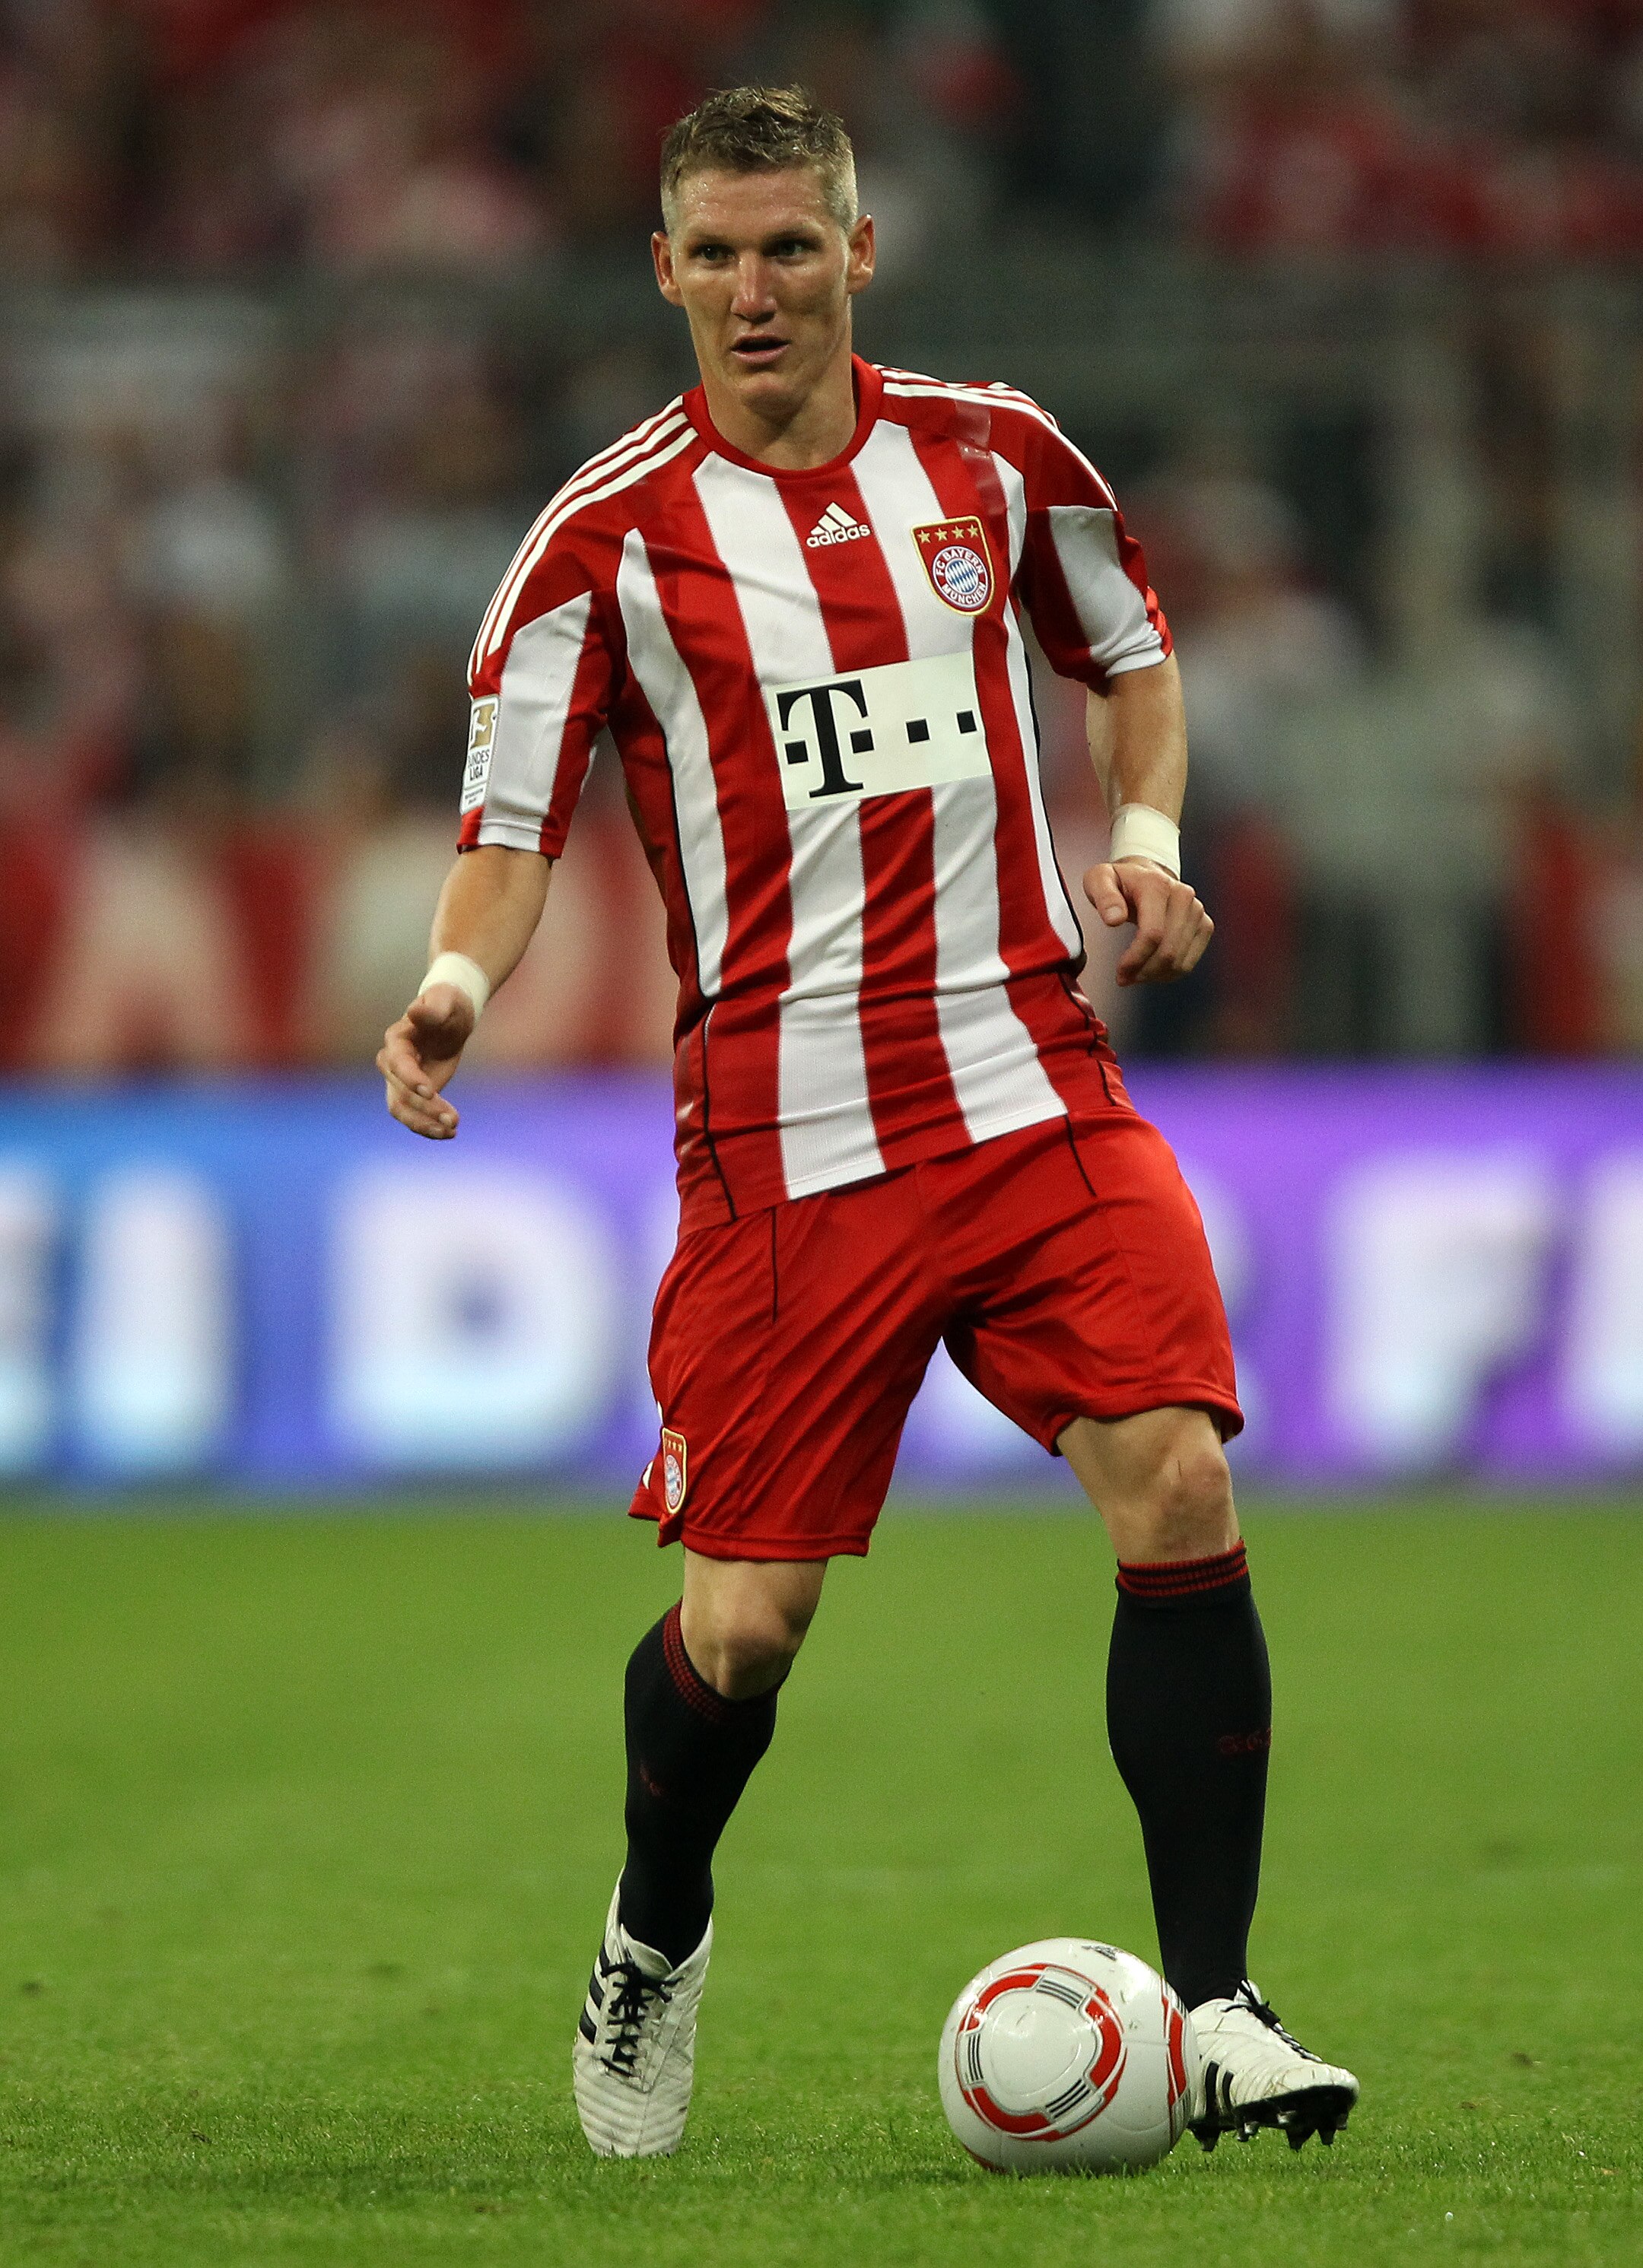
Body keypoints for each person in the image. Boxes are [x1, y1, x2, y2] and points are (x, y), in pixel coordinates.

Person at [377, 84, 1358, 2162]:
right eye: (715, 255)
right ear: (663, 272)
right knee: (742, 1629)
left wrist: (1153, 837)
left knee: (1177, 1474)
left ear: (859, 253)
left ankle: (1219, 2006)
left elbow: (1135, 656)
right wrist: (454, 991)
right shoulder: (601, 542)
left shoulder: (995, 456)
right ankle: (655, 1929)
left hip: (1024, 1085)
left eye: (789, 248)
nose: (753, 290)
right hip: (783, 1139)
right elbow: (510, 831)